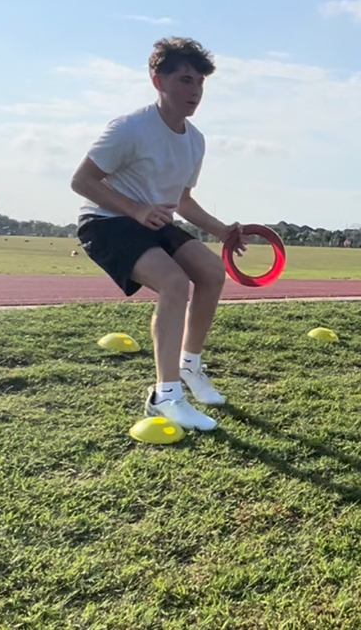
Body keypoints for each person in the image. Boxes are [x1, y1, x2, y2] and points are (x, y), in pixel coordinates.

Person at [70, 37, 245, 432]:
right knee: (174, 283)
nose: (195, 91)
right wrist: (135, 209)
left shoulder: (195, 140)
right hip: (106, 221)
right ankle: (165, 396)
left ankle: (189, 367)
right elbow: (82, 181)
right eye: (185, 80)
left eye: (199, 82)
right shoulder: (130, 128)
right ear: (158, 82)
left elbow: (182, 200)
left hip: (154, 221)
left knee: (212, 272)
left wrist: (222, 230)